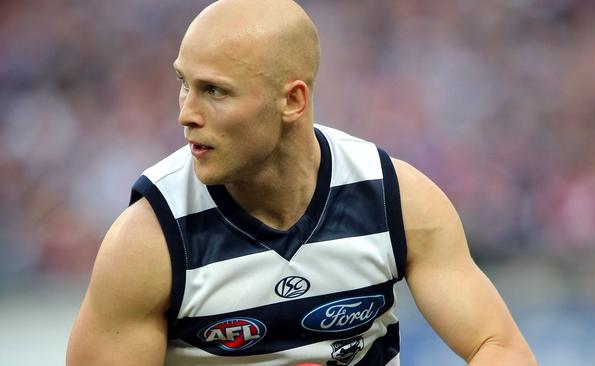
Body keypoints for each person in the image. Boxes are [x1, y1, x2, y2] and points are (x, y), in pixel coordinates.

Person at [67, 0, 537, 365]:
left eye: (215, 91)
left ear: (292, 101)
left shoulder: (396, 200)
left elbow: (500, 346)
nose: (186, 114)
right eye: (184, 83)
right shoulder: (149, 241)